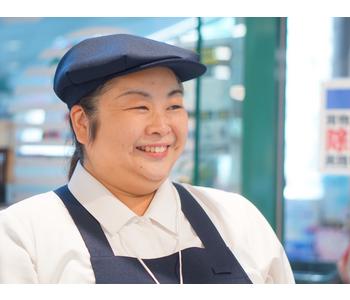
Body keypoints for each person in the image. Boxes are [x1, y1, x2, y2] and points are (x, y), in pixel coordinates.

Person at [0, 34, 294, 284]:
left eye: (174, 105)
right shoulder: (22, 237)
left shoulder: (237, 219)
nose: (161, 127)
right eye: (140, 106)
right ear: (82, 123)